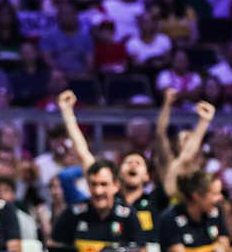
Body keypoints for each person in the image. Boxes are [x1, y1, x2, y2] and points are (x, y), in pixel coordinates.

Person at [57, 89, 166, 241]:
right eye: (128, 162)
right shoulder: (108, 194)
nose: (133, 166)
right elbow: (83, 153)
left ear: (147, 175)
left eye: (138, 163)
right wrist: (67, 112)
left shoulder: (156, 199)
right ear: (118, 176)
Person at [47, 160, 149, 252]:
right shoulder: (73, 214)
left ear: (116, 186)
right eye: (93, 184)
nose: (98, 191)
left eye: (103, 184)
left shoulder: (128, 215)